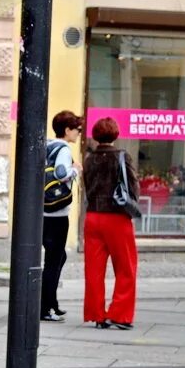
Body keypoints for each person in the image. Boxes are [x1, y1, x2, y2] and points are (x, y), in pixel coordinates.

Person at [82, 116, 139, 330]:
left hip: (93, 216)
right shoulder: (123, 157)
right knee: (125, 267)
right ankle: (120, 315)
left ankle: (97, 314)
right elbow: (133, 188)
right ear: (115, 134)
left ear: (96, 135)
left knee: (94, 270)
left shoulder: (89, 159)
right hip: (116, 217)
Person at [41, 110, 83, 323]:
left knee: (57, 258)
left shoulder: (47, 144)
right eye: (77, 129)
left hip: (43, 210)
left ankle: (51, 303)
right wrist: (75, 170)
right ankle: (46, 307)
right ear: (67, 130)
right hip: (57, 213)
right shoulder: (64, 148)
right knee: (54, 260)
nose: (78, 134)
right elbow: (60, 173)